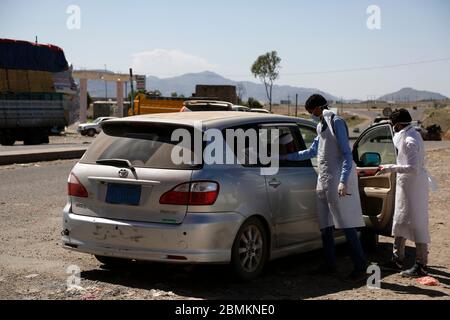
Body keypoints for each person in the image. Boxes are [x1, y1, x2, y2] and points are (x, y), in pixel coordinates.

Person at [285, 94, 367, 282]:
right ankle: (330, 264)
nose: (311, 115)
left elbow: (347, 155)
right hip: (323, 180)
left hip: (337, 180)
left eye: (310, 111)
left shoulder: (336, 122)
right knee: (325, 226)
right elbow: (313, 151)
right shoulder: (321, 125)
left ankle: (360, 265)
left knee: (346, 224)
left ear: (317, 108)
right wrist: (286, 157)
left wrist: (343, 180)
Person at [377, 108, 431, 277]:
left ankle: (421, 265)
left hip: (413, 187)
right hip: (406, 186)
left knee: (417, 224)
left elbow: (413, 168)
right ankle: (397, 259)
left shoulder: (409, 140)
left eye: (393, 125)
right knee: (399, 221)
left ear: (399, 124)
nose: (393, 128)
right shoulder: (411, 134)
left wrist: (390, 168)